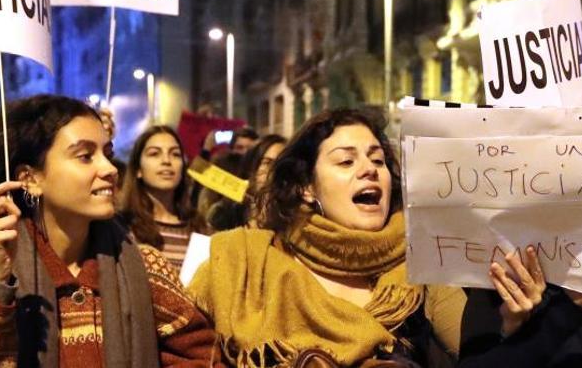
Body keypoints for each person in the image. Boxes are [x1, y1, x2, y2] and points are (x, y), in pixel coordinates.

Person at [0, 94, 221, 366]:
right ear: (29, 179)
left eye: (107, 153)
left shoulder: (147, 267)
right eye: (85, 156)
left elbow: (203, 358)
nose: (109, 168)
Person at [189, 109, 475, 366]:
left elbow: (480, 352)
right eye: (346, 161)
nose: (369, 170)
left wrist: (513, 322)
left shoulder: (422, 266)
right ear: (307, 187)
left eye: (378, 159)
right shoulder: (243, 261)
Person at [120, 125, 207, 270]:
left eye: (175, 154)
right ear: (138, 170)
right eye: (154, 154)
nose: (167, 161)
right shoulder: (122, 227)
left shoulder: (200, 228)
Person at [238, 133, 286, 226]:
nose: (274, 170)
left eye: (281, 164)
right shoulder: (229, 212)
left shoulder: (293, 214)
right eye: (267, 163)